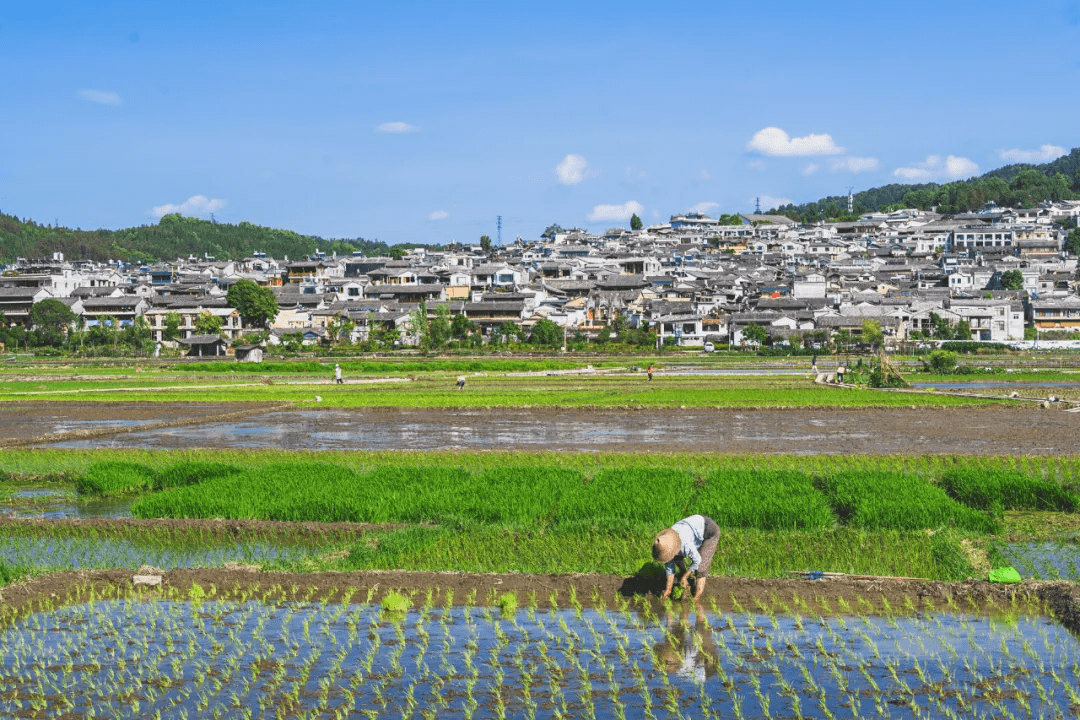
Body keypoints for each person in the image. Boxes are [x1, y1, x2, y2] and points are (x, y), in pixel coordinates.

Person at [652, 514, 719, 600]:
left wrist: (685, 576)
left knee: (701, 567)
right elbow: (669, 570)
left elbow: (697, 560)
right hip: (692, 529)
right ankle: (685, 582)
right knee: (676, 559)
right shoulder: (665, 545)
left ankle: (696, 598)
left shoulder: (684, 545)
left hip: (708, 530)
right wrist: (668, 590)